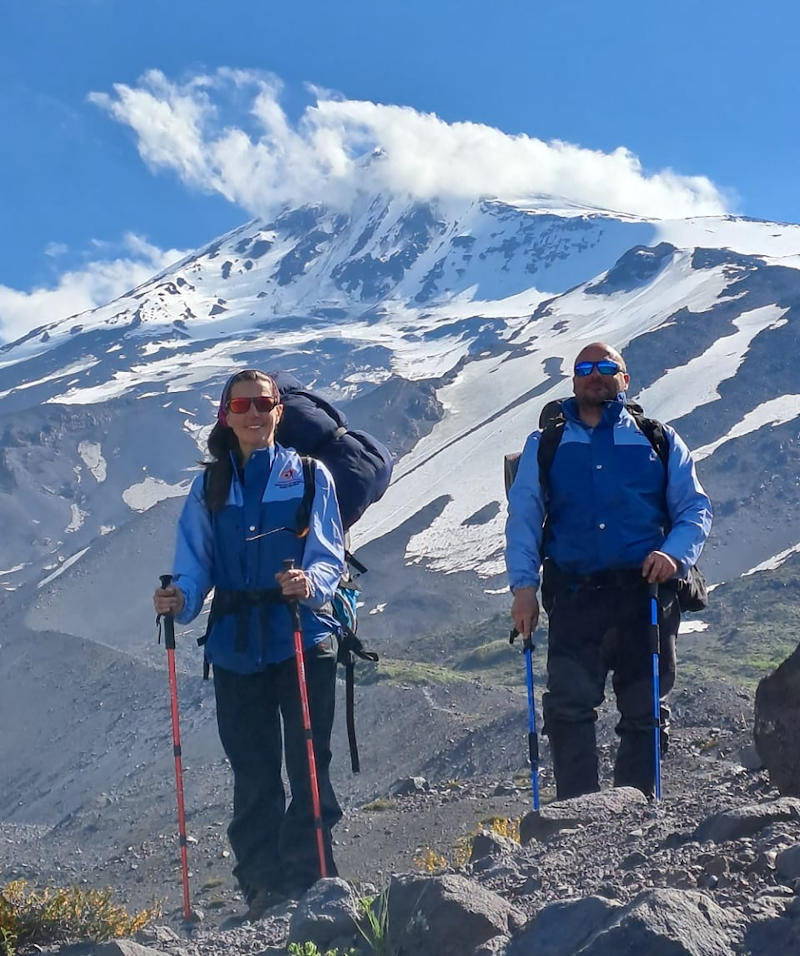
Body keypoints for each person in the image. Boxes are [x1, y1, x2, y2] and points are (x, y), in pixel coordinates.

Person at [153, 369, 345, 919]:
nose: (255, 413)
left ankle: (311, 878)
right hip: (237, 645)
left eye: (264, 403)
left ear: (279, 411)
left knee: (309, 760)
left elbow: (328, 551)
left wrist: (312, 583)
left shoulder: (310, 476)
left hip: (302, 635)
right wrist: (179, 600)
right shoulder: (209, 487)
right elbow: (194, 565)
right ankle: (262, 886)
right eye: (243, 405)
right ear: (226, 415)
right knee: (253, 767)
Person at [505, 343, 712, 799]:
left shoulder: (657, 438)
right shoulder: (546, 444)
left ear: (625, 378)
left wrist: (674, 554)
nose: (594, 376)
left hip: (647, 596)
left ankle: (633, 814)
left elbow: (694, 509)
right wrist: (524, 588)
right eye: (584, 369)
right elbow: (523, 517)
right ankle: (577, 817)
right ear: (574, 380)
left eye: (605, 368)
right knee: (568, 708)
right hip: (576, 596)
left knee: (644, 710)